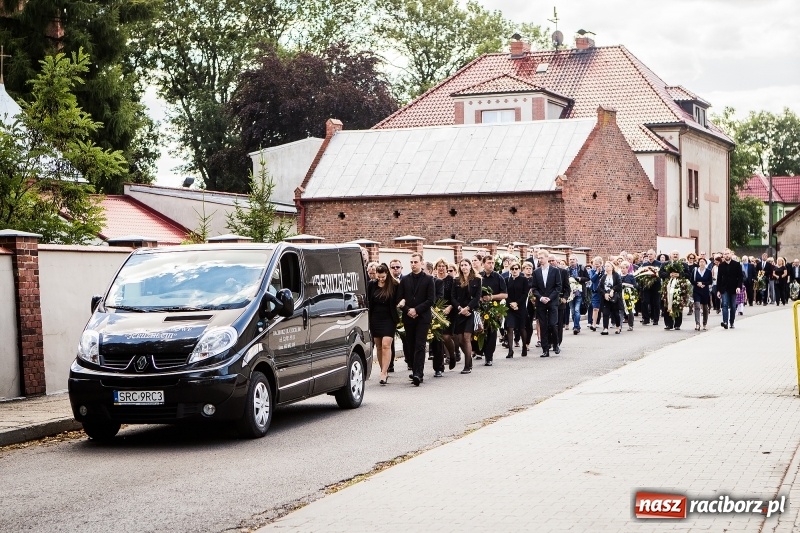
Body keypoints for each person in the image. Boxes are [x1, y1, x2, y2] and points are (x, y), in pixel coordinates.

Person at [397, 253, 435, 386]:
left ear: (421, 263)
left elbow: (431, 300)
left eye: (415, 262)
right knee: (411, 344)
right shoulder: (405, 280)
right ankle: (414, 370)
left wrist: (416, 310)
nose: (413, 264)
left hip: (423, 317)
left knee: (420, 344)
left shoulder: (428, 279)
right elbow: (399, 299)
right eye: (411, 262)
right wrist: (408, 310)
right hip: (408, 317)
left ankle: (418, 373)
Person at [367, 264, 400, 384]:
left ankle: (384, 372)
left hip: (389, 318)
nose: (381, 279)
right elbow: (368, 301)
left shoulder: (394, 285)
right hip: (375, 318)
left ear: (387, 274)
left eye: (383, 277)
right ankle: (383, 370)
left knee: (386, 344)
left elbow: (399, 298)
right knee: (379, 346)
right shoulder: (372, 285)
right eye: (379, 276)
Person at [450, 259, 481, 374]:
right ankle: (469, 358)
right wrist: (459, 308)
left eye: (466, 265)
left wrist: (468, 308)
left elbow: (477, 297)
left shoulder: (477, 280)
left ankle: (467, 365)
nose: (464, 267)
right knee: (460, 339)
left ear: (470, 266)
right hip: (459, 312)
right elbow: (453, 297)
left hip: (470, 312)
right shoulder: (456, 280)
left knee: (467, 337)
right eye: (462, 265)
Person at [478, 255, 508, 366]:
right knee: (480, 331)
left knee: (491, 332)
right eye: (489, 262)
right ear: (483, 264)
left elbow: (505, 294)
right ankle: (480, 350)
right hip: (480, 308)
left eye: (493, 263)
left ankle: (489, 356)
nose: (491, 265)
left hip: (494, 309)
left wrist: (491, 297)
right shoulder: (479, 276)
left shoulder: (498, 277)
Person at [532, 254, 562, 356]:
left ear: (547, 258)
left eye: (542, 258)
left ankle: (556, 343)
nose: (540, 260)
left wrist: (550, 297)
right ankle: (545, 349)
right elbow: (534, 288)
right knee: (543, 325)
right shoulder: (536, 272)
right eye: (539, 258)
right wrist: (540, 297)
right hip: (541, 302)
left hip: (552, 301)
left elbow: (558, 286)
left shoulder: (555, 270)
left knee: (553, 324)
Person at [432, 259, 456, 375]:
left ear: (446, 268)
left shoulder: (451, 280)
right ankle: (439, 367)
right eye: (439, 266)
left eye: (443, 266)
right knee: (437, 339)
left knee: (446, 337)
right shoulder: (432, 280)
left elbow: (454, 297)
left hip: (449, 311)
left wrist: (450, 307)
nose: (441, 268)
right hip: (435, 312)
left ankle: (452, 355)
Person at [504, 261, 529, 358]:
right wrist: (511, 303)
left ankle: (524, 347)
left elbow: (525, 293)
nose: (514, 271)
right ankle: (510, 350)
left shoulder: (523, 280)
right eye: (512, 269)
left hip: (521, 307)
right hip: (510, 307)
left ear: (519, 269)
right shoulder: (506, 280)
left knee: (522, 328)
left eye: (516, 269)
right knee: (510, 327)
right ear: (510, 270)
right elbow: (505, 293)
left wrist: (517, 303)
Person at [716, 249, 743, 329]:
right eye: (725, 254)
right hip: (724, 288)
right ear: (723, 256)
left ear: (730, 254)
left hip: (734, 288)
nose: (726, 255)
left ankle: (732, 322)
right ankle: (725, 322)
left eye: (727, 254)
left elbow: (740, 277)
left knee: (733, 306)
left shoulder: (737, 264)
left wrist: (738, 287)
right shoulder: (721, 265)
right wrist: (718, 290)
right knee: (724, 305)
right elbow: (719, 278)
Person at [387, 259, 404, 373]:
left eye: (397, 267)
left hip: (404, 312)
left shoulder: (405, 280)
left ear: (401, 268)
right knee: (390, 339)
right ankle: (390, 364)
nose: (395, 269)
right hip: (391, 313)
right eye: (393, 267)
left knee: (406, 338)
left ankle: (409, 360)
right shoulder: (387, 282)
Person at [597, 261, 622, 335]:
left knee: (615, 313)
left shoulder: (616, 275)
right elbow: (600, 288)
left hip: (614, 297)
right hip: (606, 298)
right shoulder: (603, 277)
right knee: (605, 313)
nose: (606, 267)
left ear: (612, 267)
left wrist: (613, 290)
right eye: (605, 266)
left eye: (608, 266)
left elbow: (619, 285)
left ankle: (618, 327)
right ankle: (605, 328)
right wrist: (604, 294)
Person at [639, 250, 662, 326]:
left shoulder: (659, 264)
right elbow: (641, 274)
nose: (649, 256)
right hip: (646, 286)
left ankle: (655, 319)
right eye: (648, 254)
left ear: (655, 255)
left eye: (651, 254)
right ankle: (646, 319)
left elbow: (661, 274)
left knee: (656, 303)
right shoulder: (644, 264)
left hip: (656, 285)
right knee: (645, 301)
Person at [567, 257, 589, 334]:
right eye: (570, 259)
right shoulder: (567, 270)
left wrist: (580, 278)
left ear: (576, 261)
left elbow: (587, 278)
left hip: (579, 292)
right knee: (573, 311)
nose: (572, 261)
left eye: (573, 259)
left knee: (577, 310)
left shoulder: (582, 268)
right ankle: (577, 325)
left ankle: (576, 327)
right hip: (570, 294)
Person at [691, 257, 712, 330]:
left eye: (703, 262)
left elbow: (710, 281)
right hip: (697, 290)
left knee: (705, 307)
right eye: (700, 262)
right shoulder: (695, 270)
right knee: (697, 306)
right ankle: (697, 323)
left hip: (705, 290)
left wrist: (703, 283)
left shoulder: (708, 271)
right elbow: (692, 280)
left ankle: (704, 323)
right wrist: (697, 283)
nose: (702, 263)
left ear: (705, 263)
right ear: (698, 263)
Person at [619, 260, 637, 331]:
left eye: (624, 268)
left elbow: (635, 286)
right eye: (622, 268)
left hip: (628, 295)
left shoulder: (630, 276)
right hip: (620, 295)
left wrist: (627, 285)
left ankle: (630, 325)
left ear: (627, 269)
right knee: (620, 310)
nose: (623, 270)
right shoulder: (618, 276)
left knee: (630, 310)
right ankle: (619, 325)